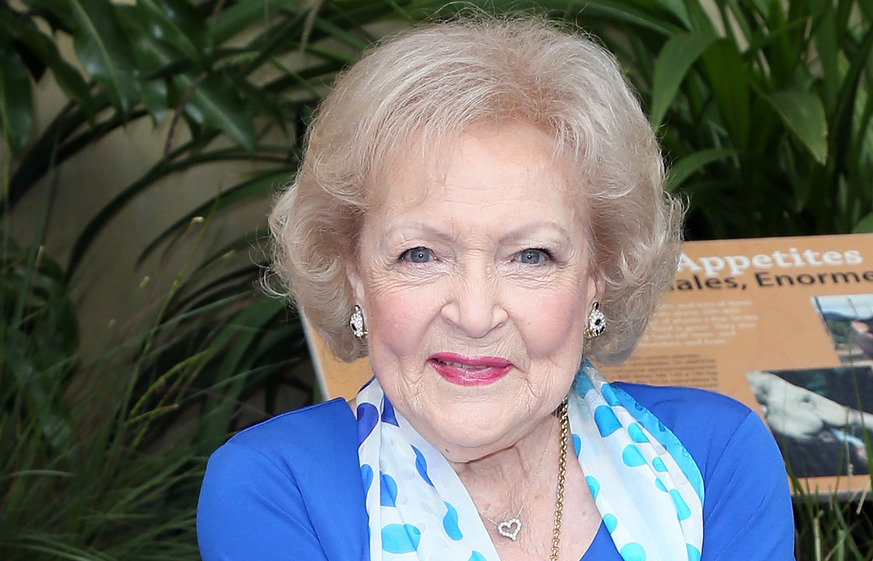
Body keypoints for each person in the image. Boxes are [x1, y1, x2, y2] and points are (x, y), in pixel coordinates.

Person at [197, 16, 794, 561]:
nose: (476, 314)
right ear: (354, 273)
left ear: (597, 278)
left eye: (531, 256)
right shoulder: (278, 487)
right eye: (420, 254)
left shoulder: (715, 459)